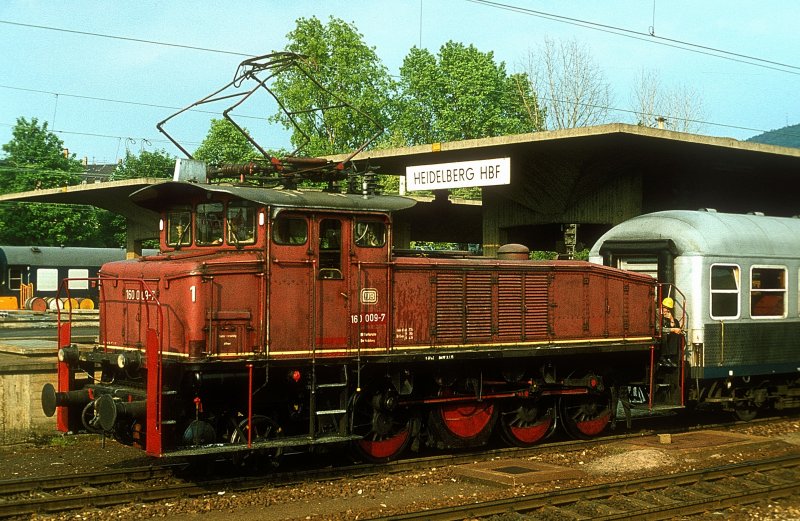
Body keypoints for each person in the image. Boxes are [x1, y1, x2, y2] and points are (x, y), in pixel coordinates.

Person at [659, 297, 683, 368]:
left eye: (668, 309)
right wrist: (672, 330)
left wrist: (671, 319)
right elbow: (659, 329)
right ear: (661, 306)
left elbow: (674, 326)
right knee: (665, 335)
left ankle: (671, 357)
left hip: (666, 335)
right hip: (660, 335)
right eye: (665, 308)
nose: (666, 310)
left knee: (676, 334)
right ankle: (663, 358)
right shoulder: (657, 313)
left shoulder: (668, 317)